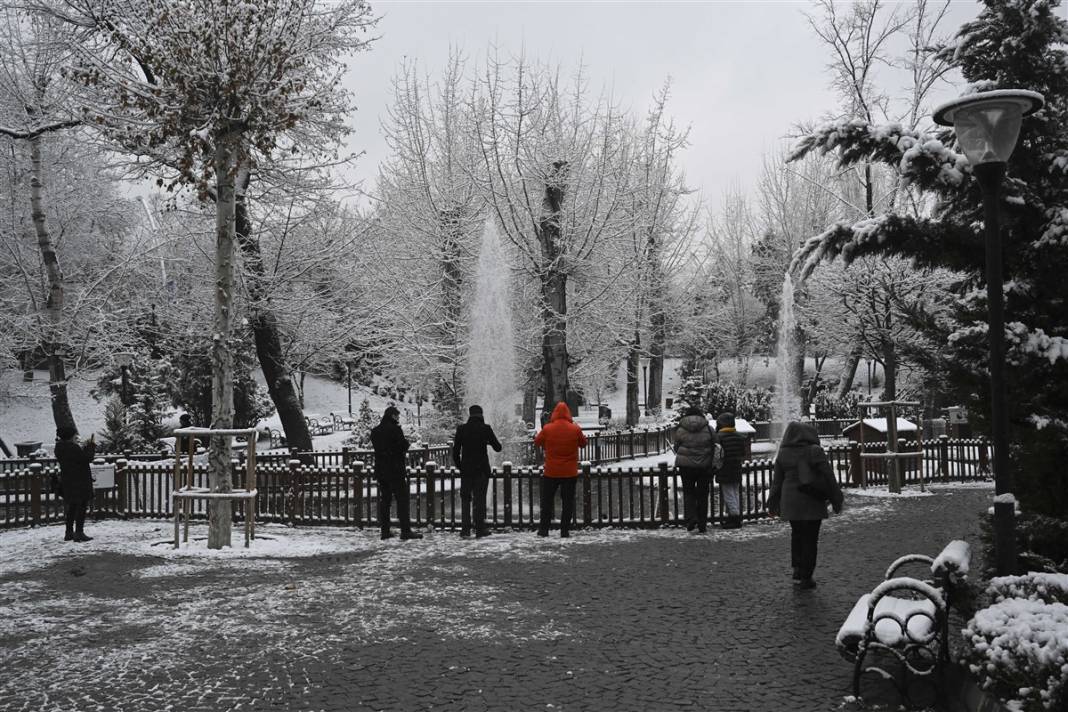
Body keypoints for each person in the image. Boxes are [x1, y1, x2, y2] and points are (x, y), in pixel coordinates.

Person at [767, 421, 844, 589]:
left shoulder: (783, 453)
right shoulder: (814, 451)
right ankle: (807, 576)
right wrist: (837, 498)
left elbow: (777, 482)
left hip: (791, 502)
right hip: (811, 500)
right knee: (810, 538)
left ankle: (797, 569)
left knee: (797, 535)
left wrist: (772, 502)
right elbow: (828, 477)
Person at [533, 402, 588, 538]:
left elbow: (537, 441)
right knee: (567, 502)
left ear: (554, 414)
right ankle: (564, 531)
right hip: (569, 472)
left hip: (551, 471)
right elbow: (583, 443)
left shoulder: (548, 428)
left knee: (547, 502)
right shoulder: (575, 429)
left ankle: (544, 530)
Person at [370, 405, 423, 541]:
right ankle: (405, 531)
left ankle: (385, 531)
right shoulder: (395, 430)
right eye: (397, 416)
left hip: (382, 471)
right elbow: (403, 446)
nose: (398, 418)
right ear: (393, 416)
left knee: (385, 501)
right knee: (402, 500)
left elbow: (379, 449)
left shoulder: (375, 431)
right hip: (395, 470)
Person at [451, 404, 503, 539]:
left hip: (467, 471)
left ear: (470, 414)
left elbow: (455, 452)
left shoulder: (461, 429)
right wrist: (487, 441)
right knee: (479, 500)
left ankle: (465, 529)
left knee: (465, 499)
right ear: (481, 415)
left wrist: (461, 467)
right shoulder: (485, 429)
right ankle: (480, 529)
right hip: (481, 470)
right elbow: (498, 447)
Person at [672, 406, 718, 534]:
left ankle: (691, 519)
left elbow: (676, 447)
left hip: (686, 466)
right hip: (704, 466)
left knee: (689, 493)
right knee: (703, 495)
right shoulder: (709, 429)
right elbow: (716, 444)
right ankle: (702, 524)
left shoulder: (681, 429)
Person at [54, 425, 96, 542]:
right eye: (73, 436)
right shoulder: (73, 448)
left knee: (72, 507)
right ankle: (79, 532)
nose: (75, 437)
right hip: (80, 481)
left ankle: (69, 532)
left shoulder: (59, 448)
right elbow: (86, 458)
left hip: (68, 481)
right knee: (82, 506)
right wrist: (91, 446)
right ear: (70, 436)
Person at [715, 412, 747, 529]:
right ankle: (734, 516)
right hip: (736, 468)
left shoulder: (719, 437)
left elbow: (717, 454)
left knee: (728, 494)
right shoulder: (739, 436)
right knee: (734, 493)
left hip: (724, 468)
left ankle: (735, 518)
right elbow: (743, 453)